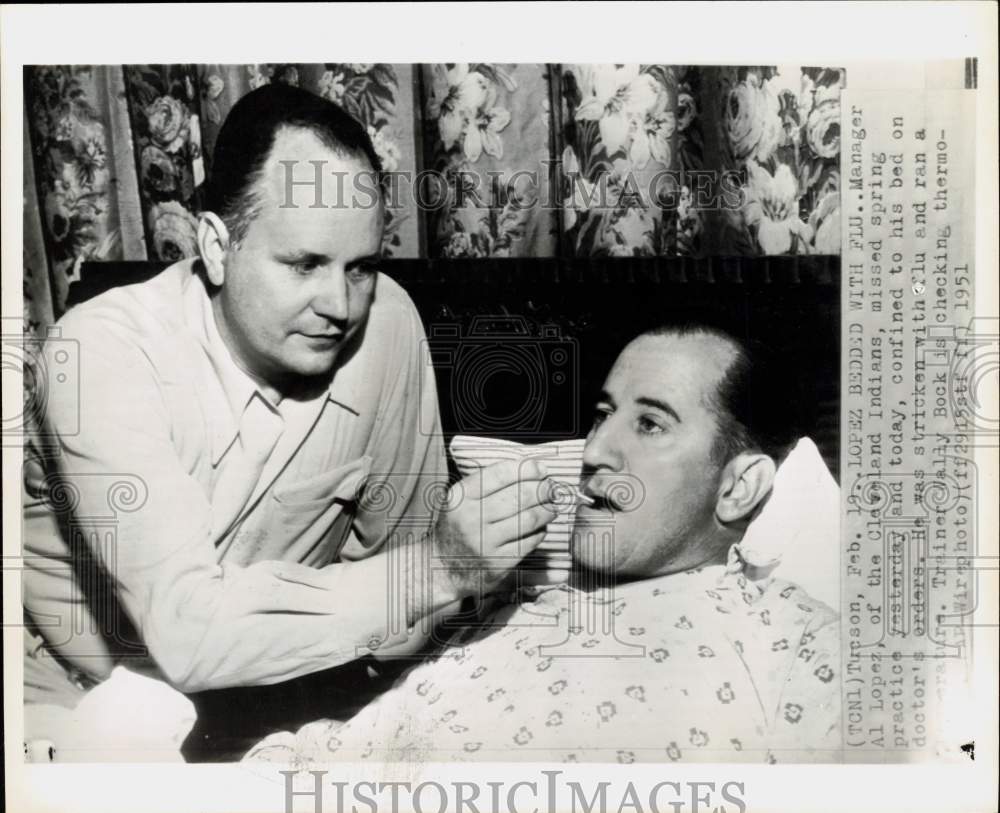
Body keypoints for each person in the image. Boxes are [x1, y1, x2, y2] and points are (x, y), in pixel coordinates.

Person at [22, 83, 558, 758]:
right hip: (74, 702)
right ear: (217, 245)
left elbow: (398, 620)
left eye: (360, 266)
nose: (339, 303)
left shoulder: (385, 324)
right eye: (304, 264)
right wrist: (441, 566)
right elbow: (189, 635)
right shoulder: (100, 351)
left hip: (287, 703)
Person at [246, 323, 841, 764]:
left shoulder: (797, 641)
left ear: (739, 488)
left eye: (650, 424)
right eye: (602, 414)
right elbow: (317, 765)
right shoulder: (503, 620)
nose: (592, 451)